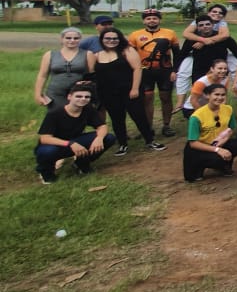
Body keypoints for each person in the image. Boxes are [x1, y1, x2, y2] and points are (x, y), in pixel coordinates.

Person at [88, 27, 166, 156]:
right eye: (108, 38)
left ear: (120, 39)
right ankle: (122, 144)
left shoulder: (127, 51)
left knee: (138, 115)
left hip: (129, 90)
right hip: (108, 93)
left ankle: (150, 140)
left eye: (115, 38)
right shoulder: (97, 55)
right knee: (116, 118)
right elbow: (91, 74)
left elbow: (137, 69)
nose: (111, 41)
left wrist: (134, 88)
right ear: (102, 40)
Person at [34, 83, 115, 184]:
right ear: (69, 97)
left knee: (108, 138)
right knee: (47, 152)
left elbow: (102, 126)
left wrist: (99, 138)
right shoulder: (55, 113)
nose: (83, 99)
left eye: (87, 97)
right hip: (56, 145)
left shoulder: (88, 109)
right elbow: (45, 138)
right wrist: (70, 144)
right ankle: (46, 172)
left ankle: (81, 164)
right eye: (78, 96)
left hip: (76, 140)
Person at [128, 9, 180, 137]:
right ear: (144, 21)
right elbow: (130, 55)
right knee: (147, 99)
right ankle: (148, 128)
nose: (152, 20)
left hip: (165, 71)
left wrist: (175, 70)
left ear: (159, 20)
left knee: (166, 98)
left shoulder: (170, 33)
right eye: (148, 18)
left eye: (155, 18)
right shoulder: (135, 35)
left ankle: (166, 125)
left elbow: (177, 54)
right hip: (145, 72)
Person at [184, 84, 237, 182]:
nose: (220, 98)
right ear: (207, 95)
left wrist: (224, 139)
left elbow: (231, 128)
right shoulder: (196, 117)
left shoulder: (228, 109)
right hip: (199, 148)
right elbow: (193, 143)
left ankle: (223, 166)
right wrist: (217, 150)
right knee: (192, 178)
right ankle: (200, 166)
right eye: (216, 94)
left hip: (218, 143)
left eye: (223, 95)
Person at [34, 27, 87, 109]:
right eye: (68, 38)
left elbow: (92, 75)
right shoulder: (50, 55)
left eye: (76, 38)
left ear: (80, 39)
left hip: (78, 94)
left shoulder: (87, 54)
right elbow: (42, 76)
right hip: (55, 93)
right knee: (56, 114)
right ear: (62, 39)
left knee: (77, 115)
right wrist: (38, 94)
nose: (72, 40)